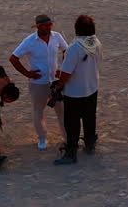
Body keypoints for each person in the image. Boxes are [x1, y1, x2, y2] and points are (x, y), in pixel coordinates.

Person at [10, 14, 69, 150]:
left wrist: (63, 68)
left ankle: (68, 138)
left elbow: (67, 50)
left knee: (63, 112)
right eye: (45, 25)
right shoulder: (29, 41)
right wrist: (27, 73)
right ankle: (42, 138)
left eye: (50, 25)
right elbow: (13, 58)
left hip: (56, 82)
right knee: (38, 111)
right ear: (38, 27)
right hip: (38, 84)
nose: (48, 28)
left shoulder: (57, 36)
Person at [53, 15, 102, 166]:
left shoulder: (74, 48)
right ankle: (89, 144)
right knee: (89, 118)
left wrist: (59, 85)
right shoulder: (96, 42)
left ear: (77, 30)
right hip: (92, 88)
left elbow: (67, 73)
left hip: (75, 92)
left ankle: (71, 153)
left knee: (72, 123)